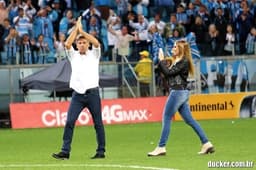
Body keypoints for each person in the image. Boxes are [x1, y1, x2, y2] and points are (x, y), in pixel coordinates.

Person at [148, 40, 214, 156]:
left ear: (180, 49)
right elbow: (166, 74)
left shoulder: (183, 62)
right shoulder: (177, 61)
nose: (172, 48)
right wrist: (161, 62)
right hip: (181, 93)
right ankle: (206, 143)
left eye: (175, 47)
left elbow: (168, 73)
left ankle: (161, 146)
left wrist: (162, 60)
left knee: (166, 117)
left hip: (177, 92)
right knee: (190, 120)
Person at [52, 16, 106, 160]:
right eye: (79, 42)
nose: (81, 44)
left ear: (87, 44)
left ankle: (101, 151)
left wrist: (83, 31)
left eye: (84, 42)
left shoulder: (94, 54)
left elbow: (97, 42)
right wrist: (77, 29)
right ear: (77, 44)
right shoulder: (73, 56)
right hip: (78, 95)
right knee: (70, 122)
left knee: (98, 123)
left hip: (93, 93)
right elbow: (67, 44)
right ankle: (65, 151)